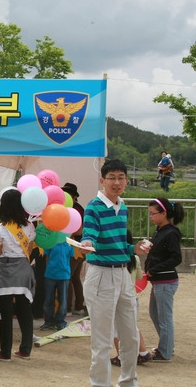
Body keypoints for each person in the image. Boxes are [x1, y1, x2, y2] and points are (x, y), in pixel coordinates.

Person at [80, 158, 149, 387]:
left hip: (122, 273)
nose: (117, 182)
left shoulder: (123, 206)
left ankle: (129, 381)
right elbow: (89, 233)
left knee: (130, 336)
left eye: (121, 178)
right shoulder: (93, 207)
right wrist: (87, 242)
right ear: (102, 180)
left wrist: (134, 248)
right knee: (102, 340)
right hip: (101, 274)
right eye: (112, 178)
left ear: (127, 180)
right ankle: (100, 384)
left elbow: (121, 245)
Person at [0, 188, 36, 362]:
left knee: (6, 312)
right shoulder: (30, 226)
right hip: (23, 269)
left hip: (6, 269)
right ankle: (25, 349)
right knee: (25, 310)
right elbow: (29, 251)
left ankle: (5, 352)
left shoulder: (0, 229)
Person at [144, 197, 183, 362]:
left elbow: (176, 258)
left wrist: (154, 269)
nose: (151, 217)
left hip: (166, 281)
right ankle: (167, 345)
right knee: (155, 313)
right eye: (150, 214)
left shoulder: (171, 232)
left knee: (164, 316)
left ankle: (165, 352)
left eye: (153, 213)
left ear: (164, 213)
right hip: (158, 281)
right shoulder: (160, 230)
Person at [61, 182, 86, 316]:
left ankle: (69, 308)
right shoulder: (71, 208)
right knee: (75, 277)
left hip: (76, 248)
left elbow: (78, 231)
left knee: (68, 277)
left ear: (74, 196)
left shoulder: (76, 209)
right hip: (75, 247)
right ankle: (78, 306)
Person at [39, 241, 75, 331]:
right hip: (51, 274)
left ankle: (60, 321)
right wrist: (49, 269)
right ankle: (48, 321)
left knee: (63, 300)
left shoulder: (69, 244)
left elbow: (70, 258)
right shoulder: (51, 242)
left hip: (64, 275)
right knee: (49, 299)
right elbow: (47, 257)